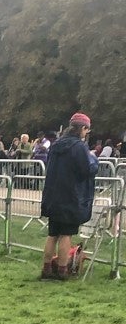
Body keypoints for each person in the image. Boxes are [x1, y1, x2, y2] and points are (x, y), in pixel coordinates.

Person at [39, 111, 98, 280]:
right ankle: (63, 270)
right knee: (66, 234)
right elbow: (86, 169)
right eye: (87, 130)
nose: (87, 134)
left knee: (53, 234)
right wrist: (94, 160)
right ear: (83, 128)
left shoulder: (57, 144)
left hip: (53, 196)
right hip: (70, 197)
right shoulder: (79, 147)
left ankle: (47, 269)